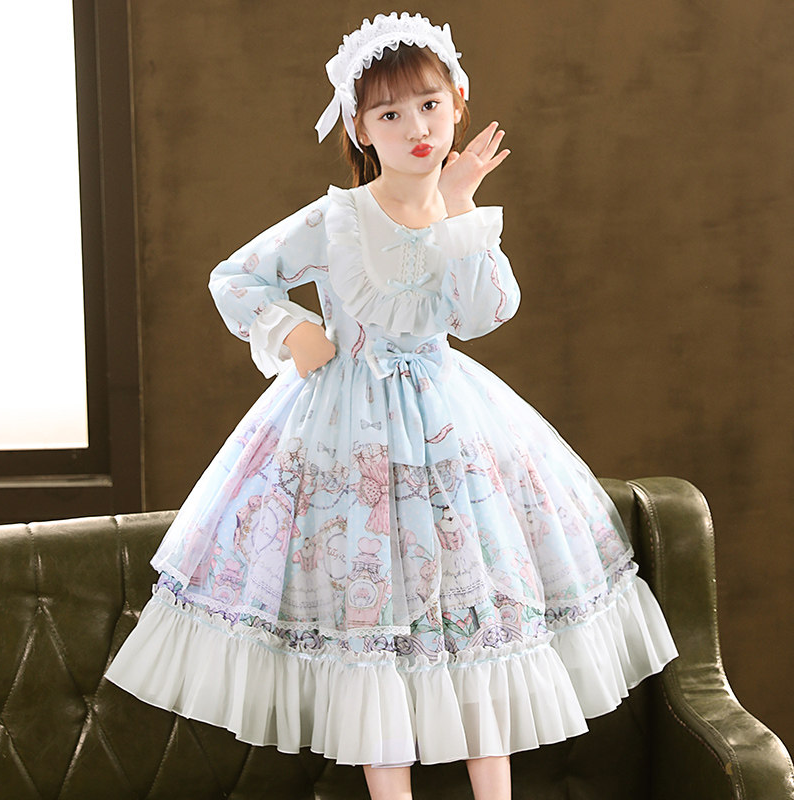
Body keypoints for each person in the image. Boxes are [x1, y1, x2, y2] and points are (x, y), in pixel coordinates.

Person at [106, 12, 677, 800]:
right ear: (359, 128)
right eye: (390, 113)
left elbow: (486, 312)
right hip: (347, 428)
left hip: (448, 423)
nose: (417, 128)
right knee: (366, 611)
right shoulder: (337, 219)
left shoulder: (457, 216)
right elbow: (233, 277)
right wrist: (292, 327)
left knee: (475, 608)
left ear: (458, 105)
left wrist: (462, 208)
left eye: (431, 105)